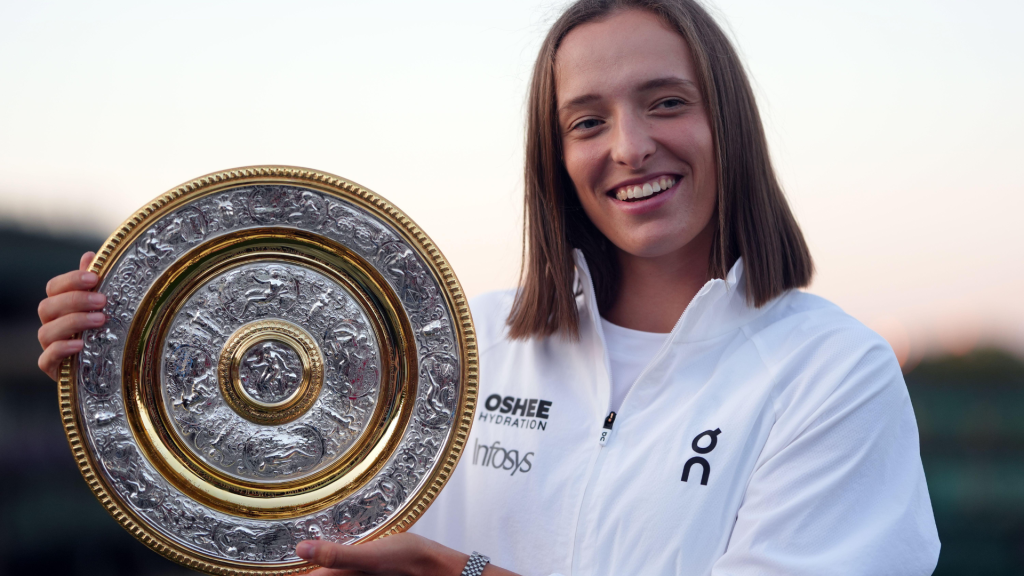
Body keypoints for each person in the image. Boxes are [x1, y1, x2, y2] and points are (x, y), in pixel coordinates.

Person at [37, 0, 941, 574]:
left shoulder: (832, 371)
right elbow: (293, 516)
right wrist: (126, 360)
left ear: (728, 122)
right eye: (587, 120)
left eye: (667, 102)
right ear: (556, 157)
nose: (628, 146)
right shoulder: (464, 338)